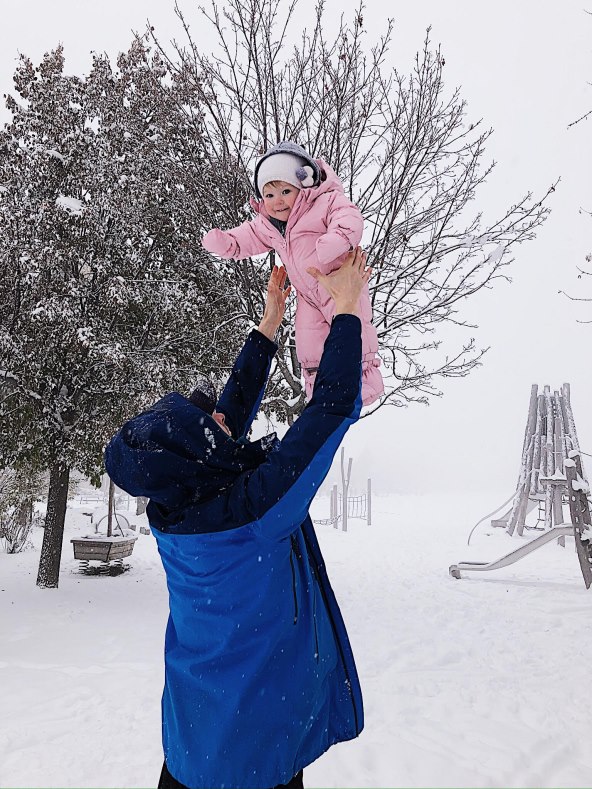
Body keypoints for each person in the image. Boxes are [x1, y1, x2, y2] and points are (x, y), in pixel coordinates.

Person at [104, 248, 371, 789]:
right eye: (210, 424)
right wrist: (347, 310)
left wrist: (269, 325)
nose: (223, 417)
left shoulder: (175, 506)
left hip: (194, 741)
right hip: (251, 756)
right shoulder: (255, 513)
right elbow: (333, 407)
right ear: (200, 454)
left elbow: (224, 426)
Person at [202, 140, 384, 407]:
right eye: (269, 195)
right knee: (309, 342)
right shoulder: (270, 225)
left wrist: (336, 240)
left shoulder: (324, 201)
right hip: (308, 295)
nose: (278, 202)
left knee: (351, 329)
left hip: (340, 282)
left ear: (303, 184)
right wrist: (226, 243)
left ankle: (365, 379)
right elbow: (246, 238)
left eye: (285, 191)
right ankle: (317, 390)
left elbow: (349, 217)